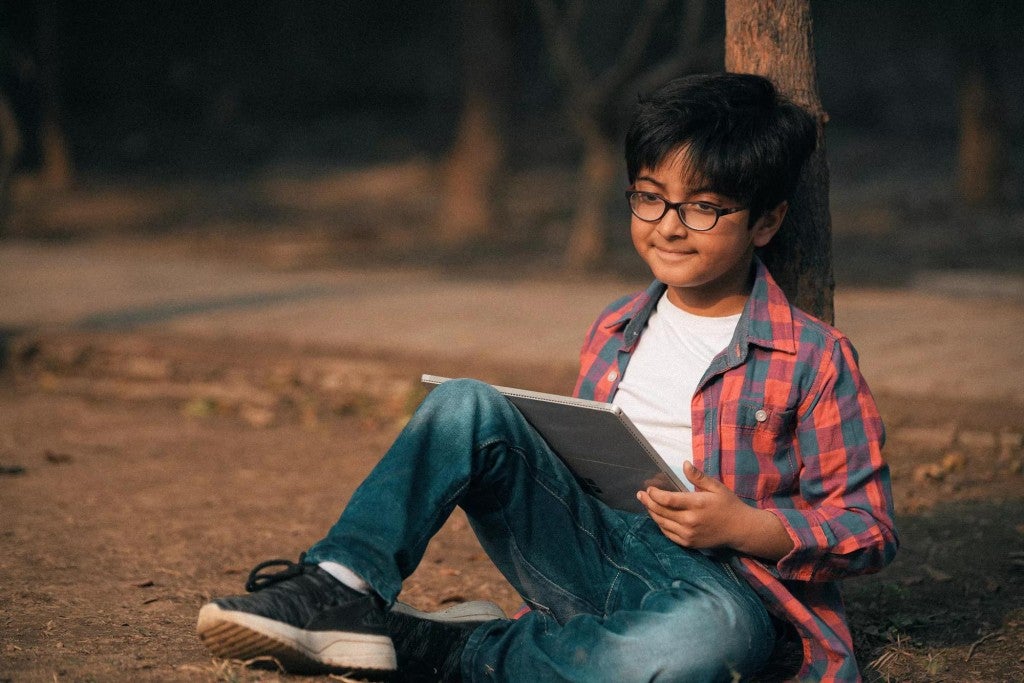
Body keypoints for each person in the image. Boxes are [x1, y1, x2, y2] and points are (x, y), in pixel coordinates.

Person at [196, 73, 898, 682]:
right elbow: (571, 470)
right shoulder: (615, 329)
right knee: (465, 401)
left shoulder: (812, 356)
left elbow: (868, 527)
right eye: (650, 197)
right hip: (591, 551)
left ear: (767, 220)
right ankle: (339, 587)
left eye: (705, 207)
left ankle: (447, 650)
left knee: (704, 644)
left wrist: (749, 526)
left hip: (717, 589)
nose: (670, 226)